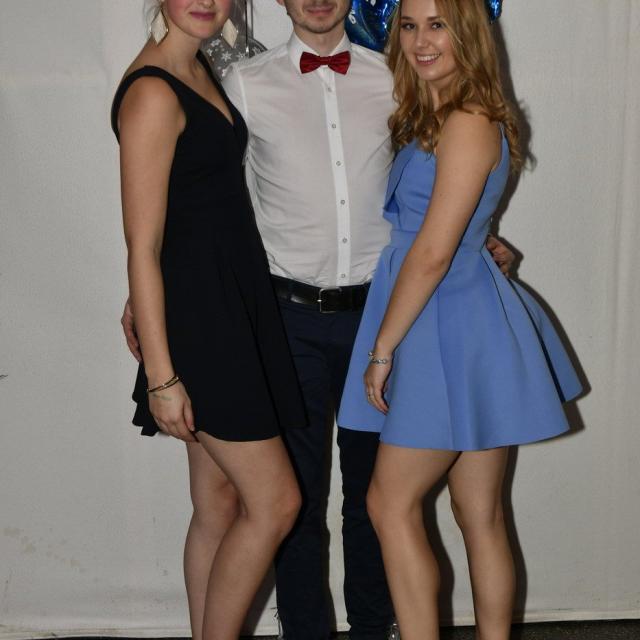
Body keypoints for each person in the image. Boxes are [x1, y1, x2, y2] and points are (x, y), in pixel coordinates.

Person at [122, 1, 516, 637]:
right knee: (291, 504)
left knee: (376, 502)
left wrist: (477, 235)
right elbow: (195, 191)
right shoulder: (240, 83)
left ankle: (373, 630)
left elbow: (441, 170)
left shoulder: (399, 77)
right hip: (282, 319)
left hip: (383, 318)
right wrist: (143, 292)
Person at [337, 1, 583, 638]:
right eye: (409, 25)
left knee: (389, 504)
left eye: (438, 24)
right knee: (481, 516)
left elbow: (432, 253)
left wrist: (382, 349)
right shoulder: (440, 113)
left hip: (443, 322)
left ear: (467, 32)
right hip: (452, 315)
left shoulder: (468, 119)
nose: (421, 40)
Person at [111, 1, 306, 639]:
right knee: (276, 504)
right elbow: (141, 244)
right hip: (202, 325)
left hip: (229, 305)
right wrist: (163, 378)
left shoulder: (197, 68)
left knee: (218, 505)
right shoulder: (152, 91)